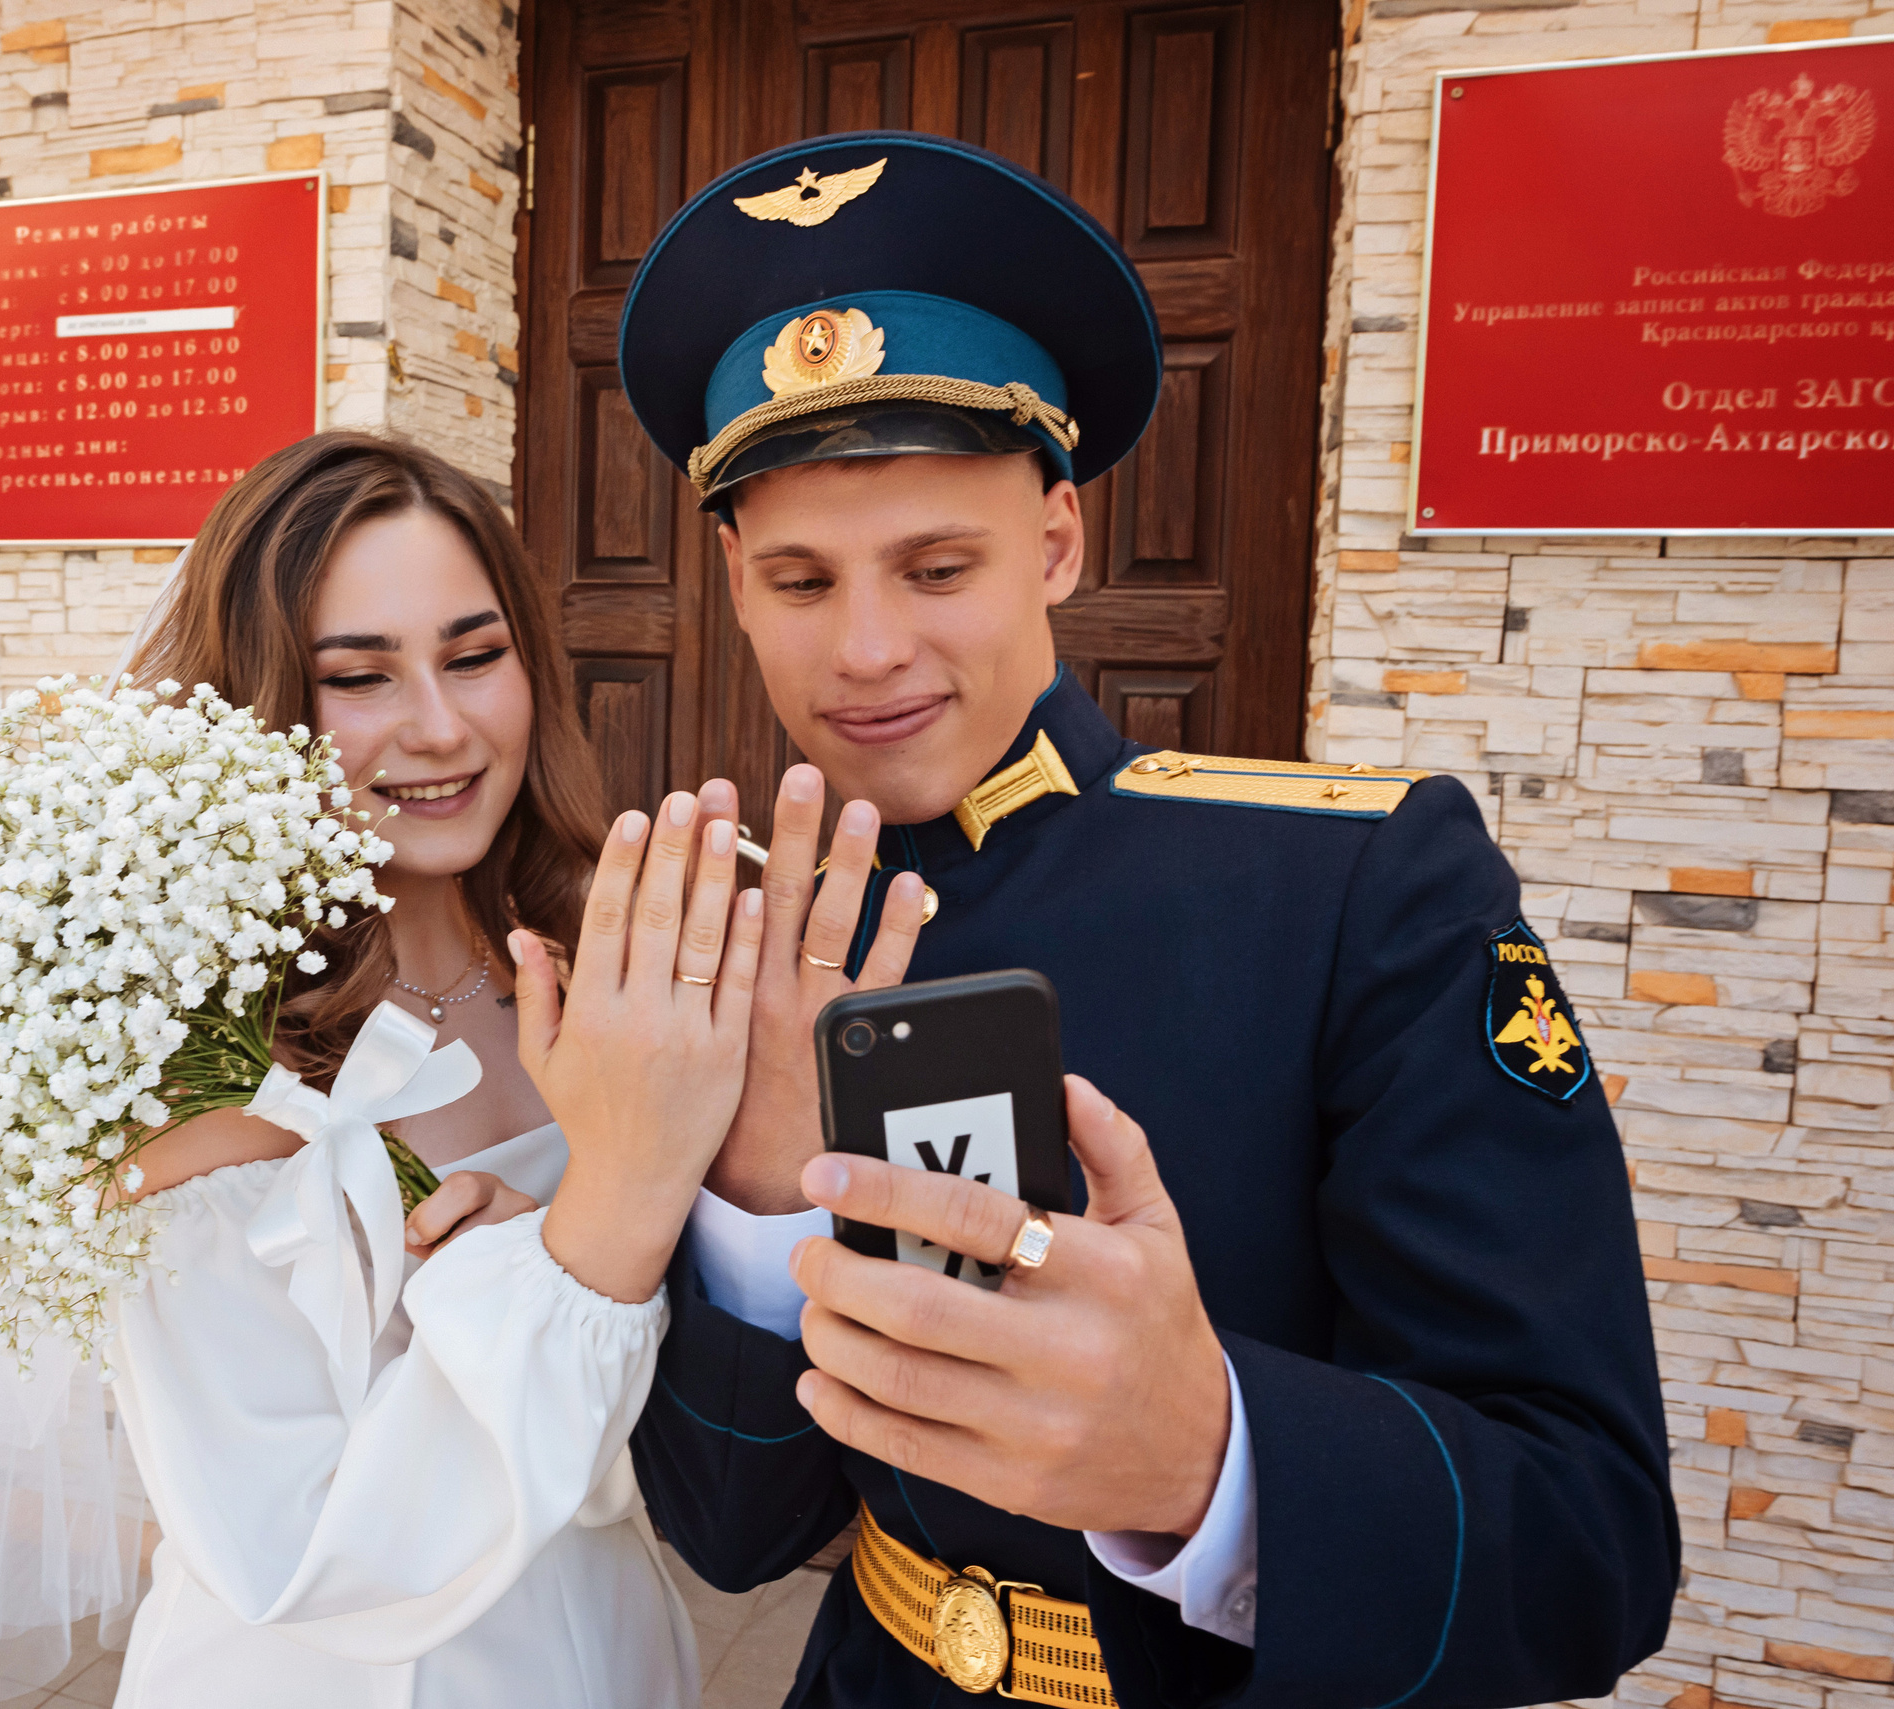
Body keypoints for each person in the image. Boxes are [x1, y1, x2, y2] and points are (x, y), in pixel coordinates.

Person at [618, 134, 1679, 1708]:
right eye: (797, 578)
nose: (864, 647)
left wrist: (1212, 1459)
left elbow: (1591, 1545)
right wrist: (762, 1218)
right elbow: (730, 1526)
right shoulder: (742, 939)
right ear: (730, 580)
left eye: (938, 564)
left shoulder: (1355, 887)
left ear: (1059, 539)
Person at [0, 432, 767, 1706]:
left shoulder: (593, 970)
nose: (441, 726)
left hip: (604, 1637)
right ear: (258, 709)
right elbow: (294, 1548)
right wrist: (580, 1248)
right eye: (360, 677)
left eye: (474, 654)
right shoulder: (199, 1068)